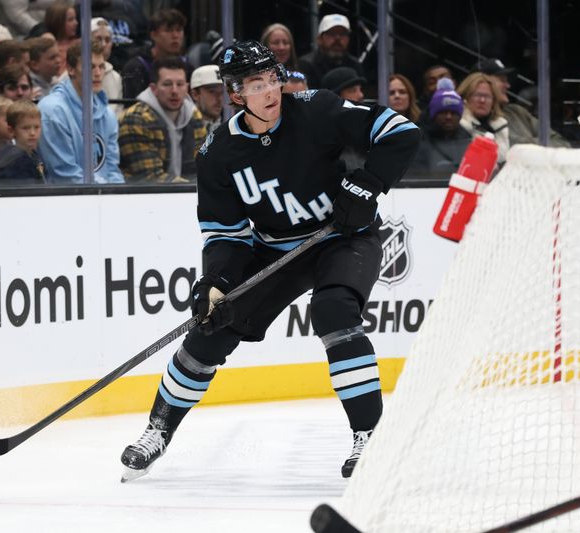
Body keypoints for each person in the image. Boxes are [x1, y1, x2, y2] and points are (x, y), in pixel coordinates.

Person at [119, 40, 420, 482]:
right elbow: (224, 233)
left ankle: (369, 435)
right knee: (210, 329)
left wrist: (368, 184)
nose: (270, 90)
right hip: (275, 250)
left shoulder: (316, 109)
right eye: (256, 84)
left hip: (343, 238)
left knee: (334, 310)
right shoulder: (218, 153)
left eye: (272, 77)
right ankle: (157, 430)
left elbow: (400, 131)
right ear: (236, 94)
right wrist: (216, 281)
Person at [37, 41, 123, 184]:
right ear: (70, 69)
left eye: (101, 67)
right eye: (90, 67)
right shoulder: (52, 111)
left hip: (103, 198)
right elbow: (65, 174)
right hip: (66, 200)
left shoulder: (108, 115)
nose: (97, 74)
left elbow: (112, 169)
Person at [118, 56, 206, 183]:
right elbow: (149, 177)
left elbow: (203, 165)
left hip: (186, 192)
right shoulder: (136, 118)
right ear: (154, 89)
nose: (174, 91)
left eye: (180, 84)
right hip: (141, 197)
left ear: (187, 87)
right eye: (167, 84)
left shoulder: (194, 115)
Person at [473, 57, 570, 147]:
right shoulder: (474, 119)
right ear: (481, 83)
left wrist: (527, 145)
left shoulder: (517, 112)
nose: (508, 86)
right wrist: (536, 144)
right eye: (502, 80)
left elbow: (562, 143)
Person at [121, 9, 188, 98]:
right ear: (153, 35)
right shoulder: (136, 67)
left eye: (179, 30)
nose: (175, 36)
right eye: (168, 30)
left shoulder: (187, 66)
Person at [410, 78, 470, 178]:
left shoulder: (467, 139)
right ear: (433, 114)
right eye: (443, 112)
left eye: (454, 113)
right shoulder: (417, 139)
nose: (448, 117)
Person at [298, 14, 363, 89]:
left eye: (342, 34)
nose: (338, 38)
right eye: (332, 33)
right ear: (320, 39)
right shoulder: (306, 65)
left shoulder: (355, 65)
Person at [457, 72, 509, 163]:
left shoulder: (501, 126)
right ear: (465, 97)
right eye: (477, 95)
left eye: (487, 96)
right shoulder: (459, 125)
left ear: (494, 101)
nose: (482, 100)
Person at [0, 100, 46, 182]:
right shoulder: (15, 161)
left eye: (37, 127)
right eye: (26, 128)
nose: (32, 133)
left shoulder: (34, 154)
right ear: (11, 131)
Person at [92, 17, 123, 116]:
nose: (103, 44)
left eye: (108, 40)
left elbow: (118, 113)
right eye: (98, 39)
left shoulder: (116, 77)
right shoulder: (73, 74)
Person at [44, 1, 79, 78]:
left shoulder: (80, 44)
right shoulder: (49, 48)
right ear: (57, 22)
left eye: (75, 18)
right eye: (70, 20)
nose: (76, 23)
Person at [190, 64, 223, 134]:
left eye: (222, 92)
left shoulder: (230, 125)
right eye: (212, 92)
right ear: (195, 95)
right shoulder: (183, 128)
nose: (219, 99)